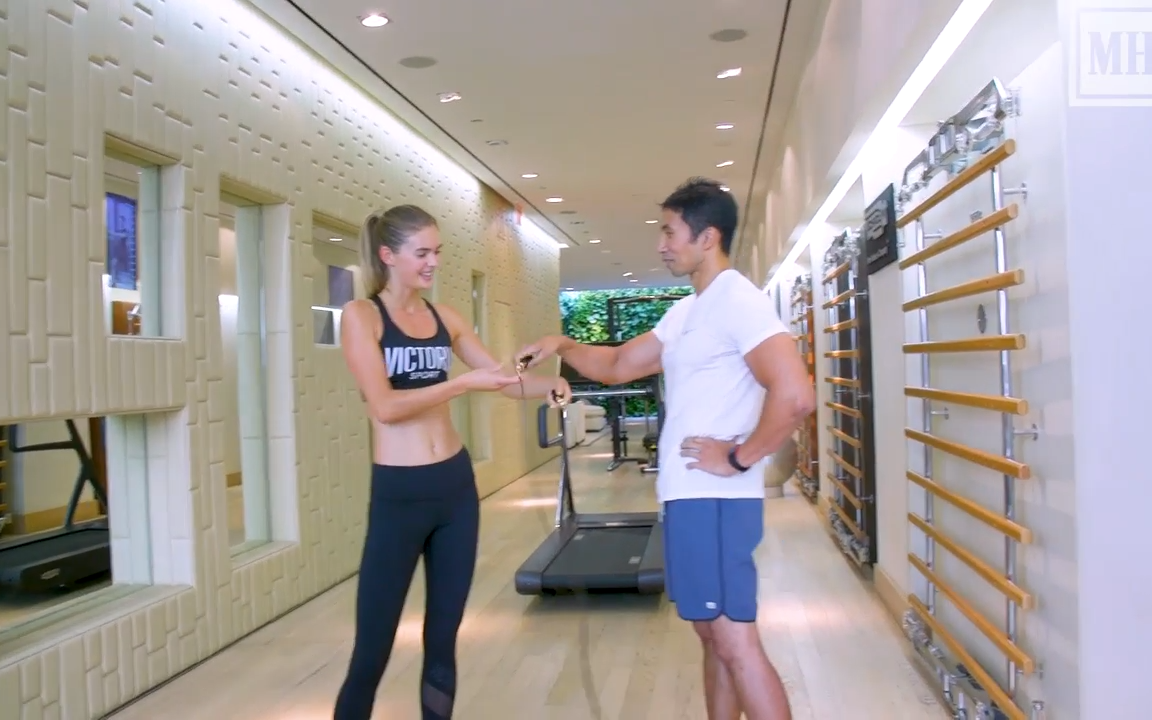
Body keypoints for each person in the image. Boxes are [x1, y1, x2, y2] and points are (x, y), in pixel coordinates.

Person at [516, 178, 814, 720]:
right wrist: (562, 344)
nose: (661, 244)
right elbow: (617, 365)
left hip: (715, 500)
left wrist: (739, 457)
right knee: (713, 637)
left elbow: (795, 395)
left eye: (670, 232)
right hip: (690, 498)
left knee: (734, 641)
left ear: (708, 237)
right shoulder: (689, 311)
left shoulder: (737, 301)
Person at [333, 204, 571, 720]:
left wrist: (549, 383)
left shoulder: (446, 318)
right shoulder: (362, 317)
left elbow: (503, 380)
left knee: (442, 641)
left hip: (455, 491)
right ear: (388, 255)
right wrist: (460, 384)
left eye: (437, 252)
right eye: (422, 253)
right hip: (399, 495)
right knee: (372, 651)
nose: (433, 262)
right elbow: (385, 407)